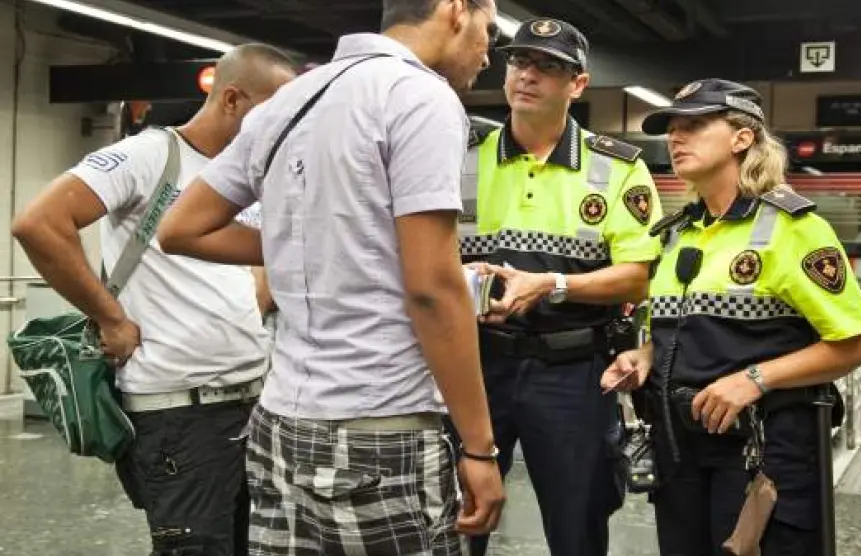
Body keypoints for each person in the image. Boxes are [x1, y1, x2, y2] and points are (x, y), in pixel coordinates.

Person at [154, 1, 506, 554]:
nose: (489, 54)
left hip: (280, 425)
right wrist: (481, 447)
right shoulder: (420, 96)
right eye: (490, 30)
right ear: (456, 9)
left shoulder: (289, 100)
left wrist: (317, 245)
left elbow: (181, 228)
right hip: (381, 426)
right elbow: (432, 290)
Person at [11, 43, 296, 555]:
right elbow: (39, 224)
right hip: (179, 414)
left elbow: (257, 262)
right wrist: (110, 319)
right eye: (275, 114)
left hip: (251, 404)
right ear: (232, 99)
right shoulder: (150, 156)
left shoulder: (245, 175)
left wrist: (250, 304)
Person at [600, 78, 861, 555]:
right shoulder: (678, 234)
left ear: (742, 137)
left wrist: (755, 378)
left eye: (694, 126)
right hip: (680, 454)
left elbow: (859, 343)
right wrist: (648, 354)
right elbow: (688, 325)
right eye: (672, 128)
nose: (675, 137)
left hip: (760, 453)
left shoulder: (793, 228)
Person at [458, 18, 662, 556]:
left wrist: (553, 284)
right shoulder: (462, 155)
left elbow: (640, 276)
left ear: (578, 84)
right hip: (472, 365)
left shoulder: (616, 168)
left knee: (577, 524)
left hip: (572, 372)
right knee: (459, 520)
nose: (528, 75)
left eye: (548, 67)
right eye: (520, 62)